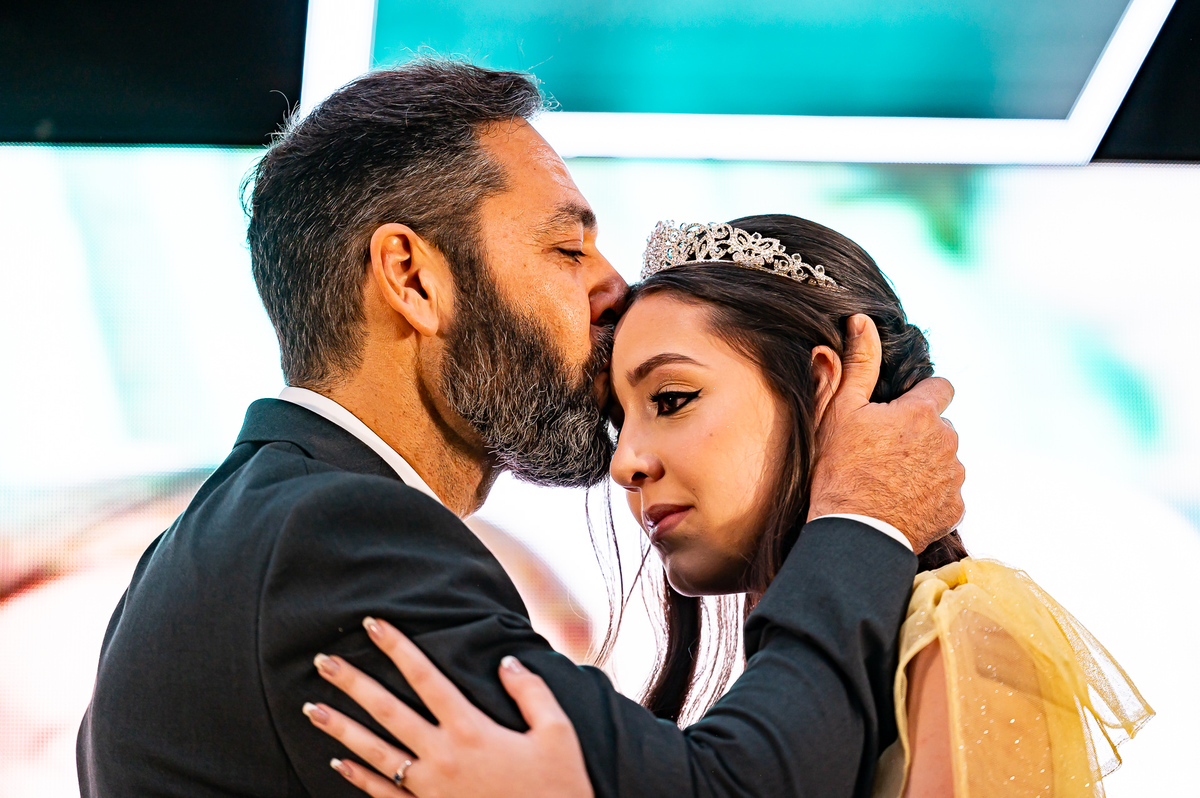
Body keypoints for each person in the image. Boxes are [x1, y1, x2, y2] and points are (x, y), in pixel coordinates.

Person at [77, 62, 964, 798]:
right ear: (413, 278)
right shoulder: (335, 538)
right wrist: (864, 521)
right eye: (569, 249)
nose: (613, 289)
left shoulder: (244, 535)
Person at [307, 216, 1154, 797]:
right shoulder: (760, 695)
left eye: (671, 399)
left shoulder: (968, 630)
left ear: (825, 387)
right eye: (618, 420)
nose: (627, 463)